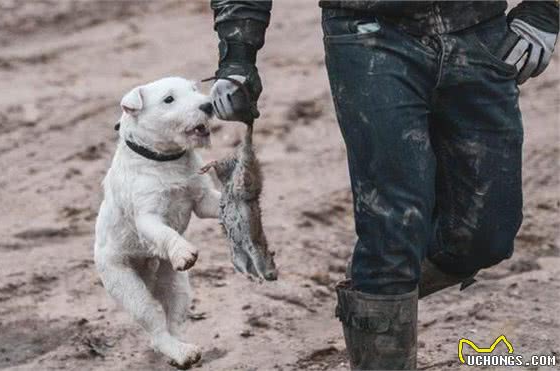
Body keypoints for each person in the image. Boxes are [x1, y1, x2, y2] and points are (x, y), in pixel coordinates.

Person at [207, 0, 559, 369]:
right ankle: (382, 295)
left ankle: (378, 291)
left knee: (486, 235)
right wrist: (237, 57)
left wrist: (543, 9)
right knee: (392, 228)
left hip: (480, 32)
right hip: (368, 37)